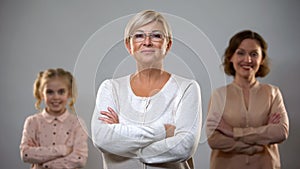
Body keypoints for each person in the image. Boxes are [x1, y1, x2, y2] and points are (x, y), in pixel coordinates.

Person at [91, 10, 202, 169]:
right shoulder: (111, 88)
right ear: (129, 45)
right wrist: (163, 132)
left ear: (168, 44)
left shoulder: (187, 88)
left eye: (156, 36)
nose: (147, 42)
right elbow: (102, 138)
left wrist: (123, 138)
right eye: (139, 36)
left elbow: (184, 147)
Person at [206, 30, 289, 169]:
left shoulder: (273, 93)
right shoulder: (219, 95)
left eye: (254, 54)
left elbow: (280, 132)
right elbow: (214, 140)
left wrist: (233, 132)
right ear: (230, 56)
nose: (248, 60)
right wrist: (258, 143)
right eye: (241, 53)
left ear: (262, 59)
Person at [20, 68, 88, 169]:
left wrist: (45, 165)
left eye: (61, 92)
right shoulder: (32, 122)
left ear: (69, 93)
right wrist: (63, 150)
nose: (56, 97)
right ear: (41, 94)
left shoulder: (77, 123)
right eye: (50, 92)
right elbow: (26, 154)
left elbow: (79, 159)